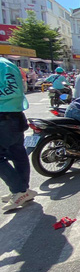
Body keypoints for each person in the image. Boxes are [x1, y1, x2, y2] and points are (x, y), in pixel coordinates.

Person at [0, 57, 37, 211]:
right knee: (18, 154)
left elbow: (13, 90)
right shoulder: (6, 64)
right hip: (10, 117)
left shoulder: (3, 65)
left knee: (16, 154)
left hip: (6, 117)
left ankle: (19, 189)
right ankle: (22, 191)